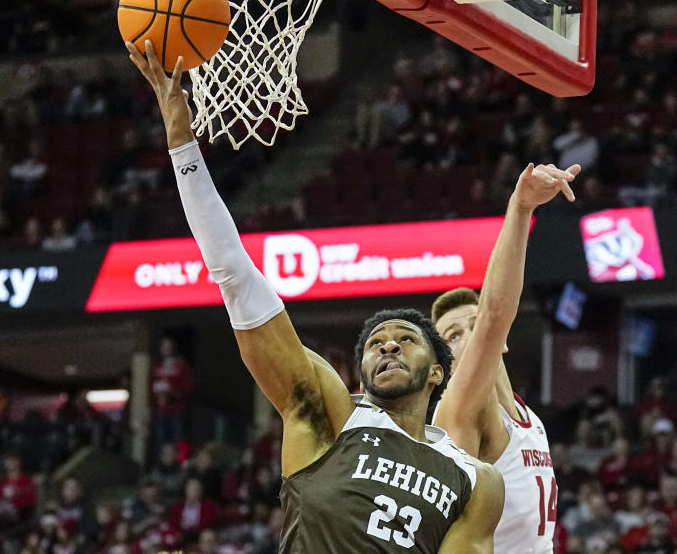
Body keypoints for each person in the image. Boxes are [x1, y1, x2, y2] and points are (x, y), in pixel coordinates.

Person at [126, 39, 503, 553]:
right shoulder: (329, 415)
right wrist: (181, 142)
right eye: (375, 343)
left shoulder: (476, 481)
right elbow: (235, 277)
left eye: (405, 339)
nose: (387, 346)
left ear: (438, 370)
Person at [429, 158, 579, 554]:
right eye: (454, 336)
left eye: (473, 325)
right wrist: (520, 208)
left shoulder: (531, 420)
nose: (472, 336)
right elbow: (496, 313)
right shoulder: (459, 411)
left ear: (506, 342)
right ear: (442, 370)